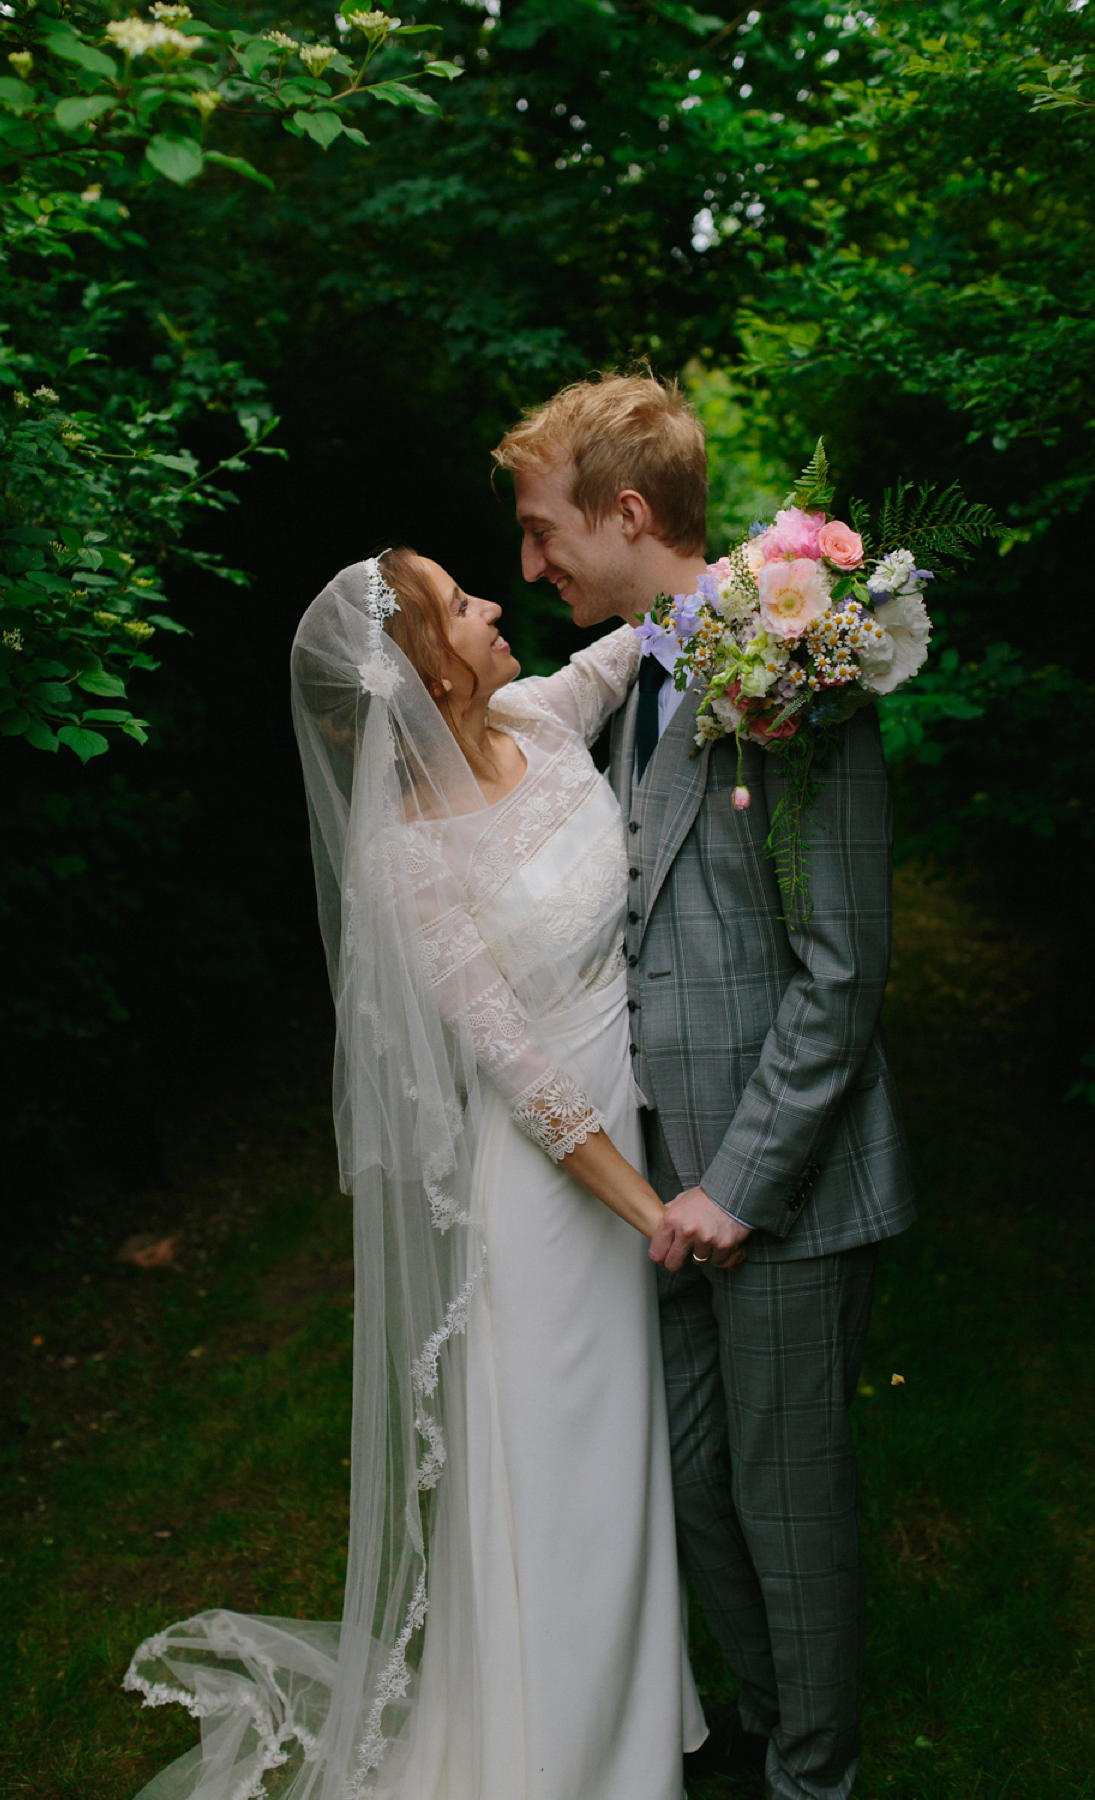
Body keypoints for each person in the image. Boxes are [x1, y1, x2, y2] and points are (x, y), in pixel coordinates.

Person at [120, 546, 708, 1799]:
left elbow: (648, 626)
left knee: (628, 1469)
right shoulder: (405, 863)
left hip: (634, 1136)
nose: (496, 605)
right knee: (562, 1481)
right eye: (461, 603)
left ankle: (631, 1741)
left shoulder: (543, 720)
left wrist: (787, 577)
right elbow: (520, 1076)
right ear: (428, 670)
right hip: (554, 1200)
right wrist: (655, 1211)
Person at [494, 372, 917, 1800]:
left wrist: (740, 1183)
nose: (530, 561)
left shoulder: (803, 664)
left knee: (786, 1509)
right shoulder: (636, 679)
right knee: (691, 1486)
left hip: (777, 1186)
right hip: (657, 1187)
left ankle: (814, 1774)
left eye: (545, 530)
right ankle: (760, 1721)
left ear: (624, 513)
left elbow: (840, 967)